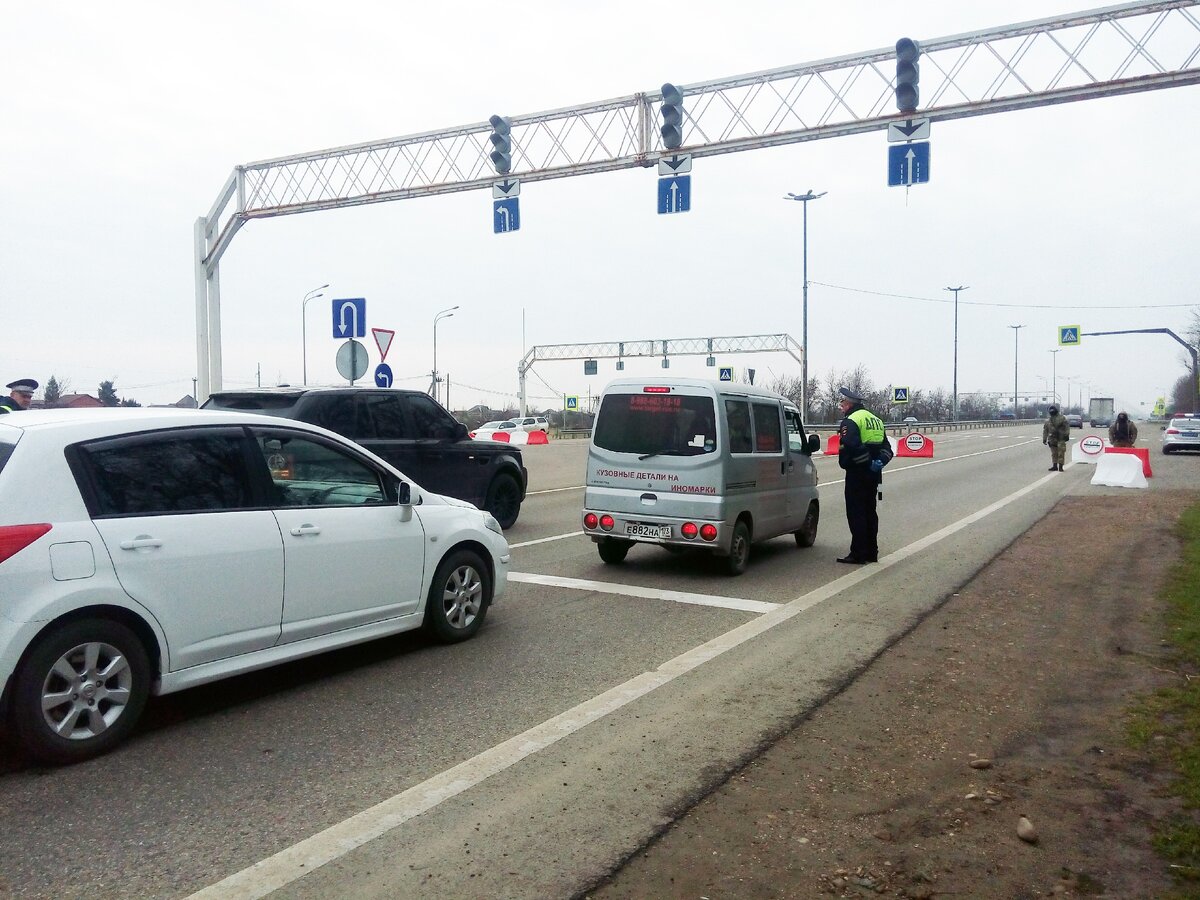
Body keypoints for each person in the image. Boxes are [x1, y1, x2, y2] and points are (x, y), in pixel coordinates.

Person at [836, 387, 893, 565]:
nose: (841, 406)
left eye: (843, 403)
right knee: (870, 511)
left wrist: (866, 463)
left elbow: (852, 445)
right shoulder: (875, 419)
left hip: (857, 473)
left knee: (856, 513)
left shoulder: (851, 421)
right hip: (873, 475)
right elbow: (887, 448)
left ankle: (858, 553)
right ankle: (871, 551)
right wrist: (879, 462)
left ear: (849, 404)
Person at [1042, 404, 1070, 471]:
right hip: (1055, 438)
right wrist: (1044, 439)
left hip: (1059, 438)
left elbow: (1066, 427)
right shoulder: (1049, 421)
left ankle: (1059, 466)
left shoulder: (1061, 418)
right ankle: (1057, 466)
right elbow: (1045, 430)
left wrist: (1066, 435)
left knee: (1059, 453)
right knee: (1056, 453)